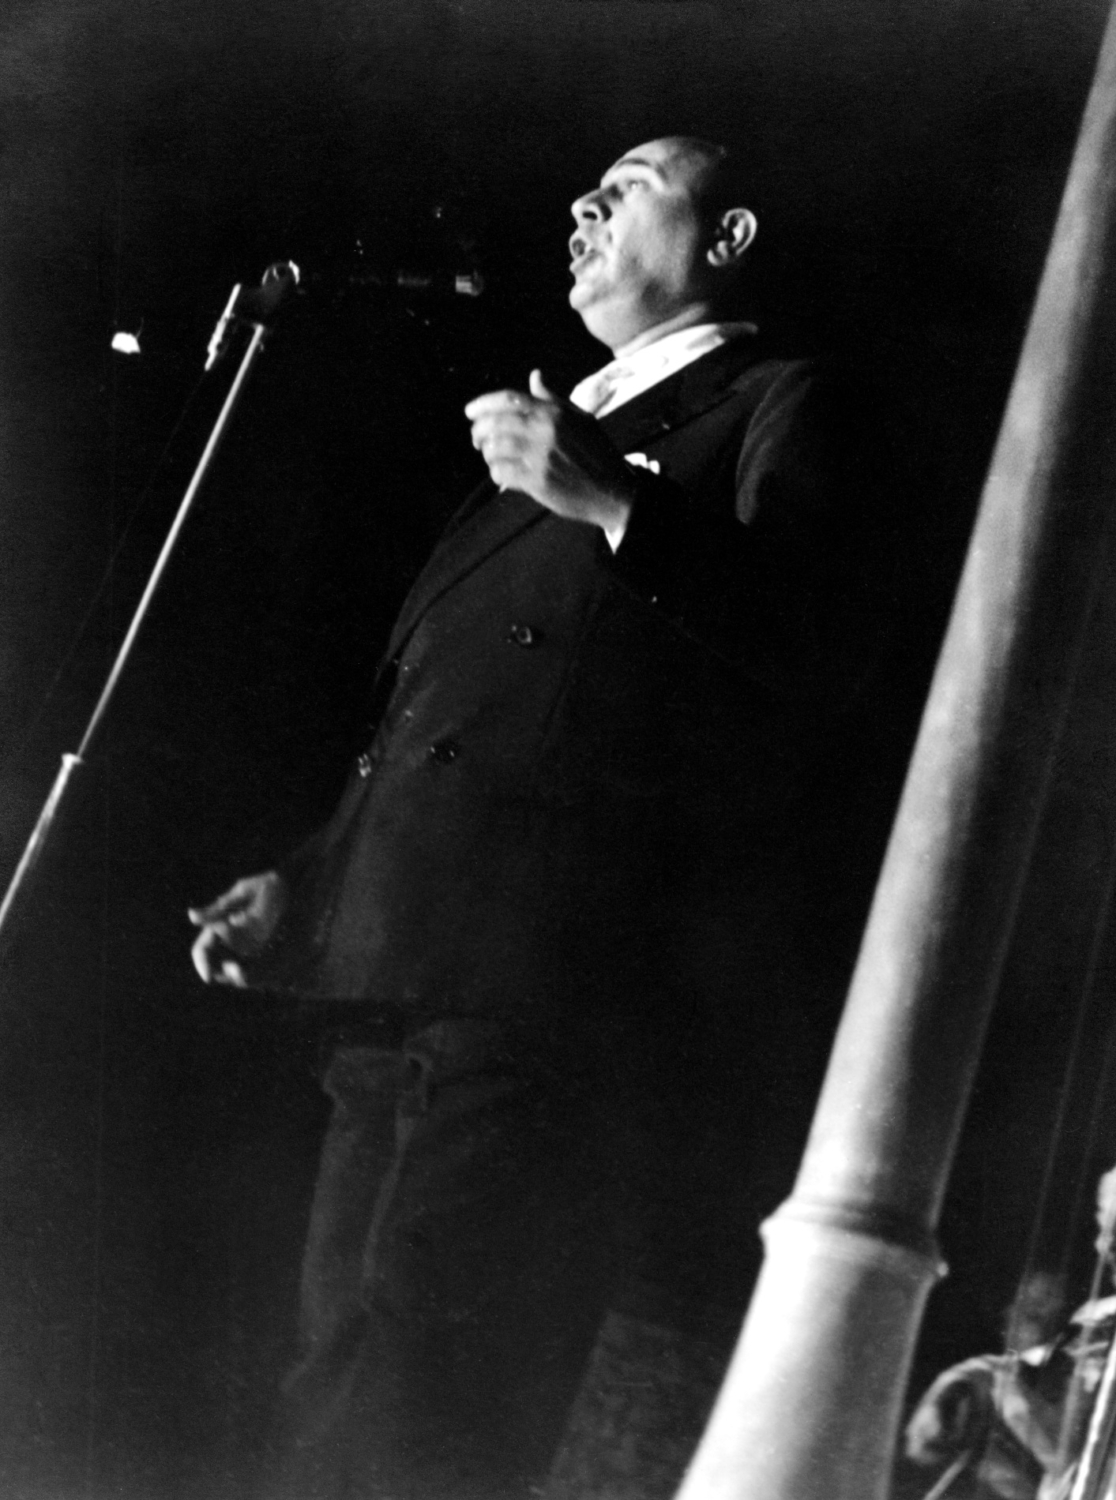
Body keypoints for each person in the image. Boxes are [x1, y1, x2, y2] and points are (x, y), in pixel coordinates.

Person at [188, 136, 903, 1498]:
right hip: (396, 966)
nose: (583, 204)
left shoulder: (780, 400)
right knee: (329, 1381)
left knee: (425, 1403)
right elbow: (444, 718)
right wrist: (311, 880)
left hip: (544, 983)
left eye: (628, 187)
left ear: (728, 239)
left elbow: (821, 652)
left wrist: (618, 502)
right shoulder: (560, 421)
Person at [904, 1170, 1116, 1500]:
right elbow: (1035, 1365)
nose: (1103, 1245)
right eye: (1103, 1225)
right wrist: (968, 1377)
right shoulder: (1099, 1316)